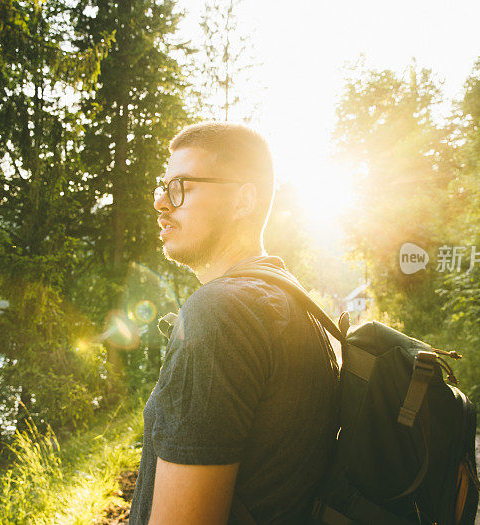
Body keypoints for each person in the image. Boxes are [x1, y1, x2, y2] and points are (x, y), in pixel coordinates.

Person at [128, 122, 339, 524]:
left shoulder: (220, 312)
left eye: (181, 187)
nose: (161, 203)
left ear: (243, 200)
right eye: (162, 187)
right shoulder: (293, 302)